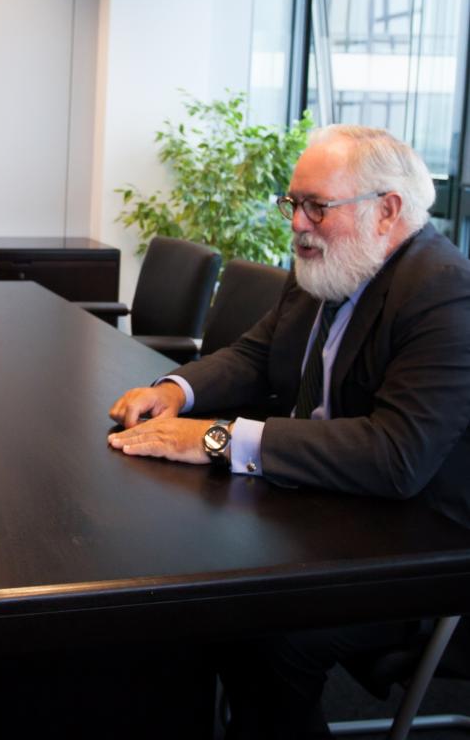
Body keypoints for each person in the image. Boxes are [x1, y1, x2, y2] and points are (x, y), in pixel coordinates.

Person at [108, 125, 470, 737]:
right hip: (319, 508)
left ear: (387, 211)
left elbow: (396, 456)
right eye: (293, 203)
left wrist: (217, 439)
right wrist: (175, 391)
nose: (298, 223)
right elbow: (253, 356)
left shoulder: (443, 292)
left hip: (417, 547)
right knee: (190, 591)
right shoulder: (329, 265)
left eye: (317, 207)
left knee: (261, 632)